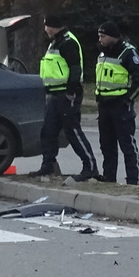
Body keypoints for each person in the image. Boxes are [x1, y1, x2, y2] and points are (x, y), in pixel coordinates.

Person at [28, 15, 99, 181]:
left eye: (46, 26)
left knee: (72, 130)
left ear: (53, 26)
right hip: (53, 94)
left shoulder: (67, 42)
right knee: (48, 131)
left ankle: (90, 167)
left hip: (66, 94)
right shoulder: (56, 41)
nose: (45, 29)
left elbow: (75, 68)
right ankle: (48, 166)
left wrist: (71, 91)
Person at [94, 21, 139, 184]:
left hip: (120, 106)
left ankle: (132, 180)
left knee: (127, 146)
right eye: (99, 36)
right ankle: (109, 177)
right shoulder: (103, 53)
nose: (100, 39)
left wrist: (127, 99)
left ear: (112, 36)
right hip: (104, 105)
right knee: (106, 145)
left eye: (103, 36)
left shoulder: (127, 52)